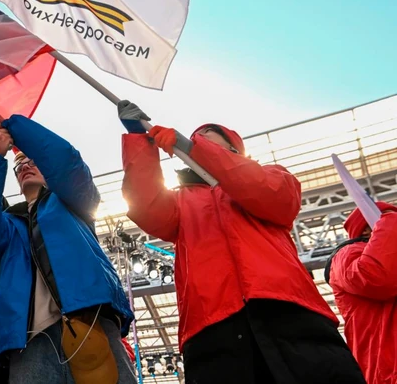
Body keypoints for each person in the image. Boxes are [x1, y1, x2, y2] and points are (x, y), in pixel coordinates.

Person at [117, 100, 366, 384]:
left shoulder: (274, 175)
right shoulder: (181, 202)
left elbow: (272, 195)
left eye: (208, 143)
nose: (198, 145)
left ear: (235, 152)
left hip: (291, 314)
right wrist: (139, 141)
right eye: (195, 142)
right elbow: (144, 206)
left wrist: (195, 149)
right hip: (212, 328)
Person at [0, 102, 135, 384]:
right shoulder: (10, 224)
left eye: (31, 161)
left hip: (90, 318)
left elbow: (66, 161)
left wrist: (12, 127)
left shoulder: (75, 202)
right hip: (29, 339)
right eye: (19, 166)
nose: (25, 167)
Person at [327, 201, 397, 383]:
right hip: (388, 371)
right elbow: (375, 277)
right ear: (367, 229)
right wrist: (390, 220)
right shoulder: (347, 254)